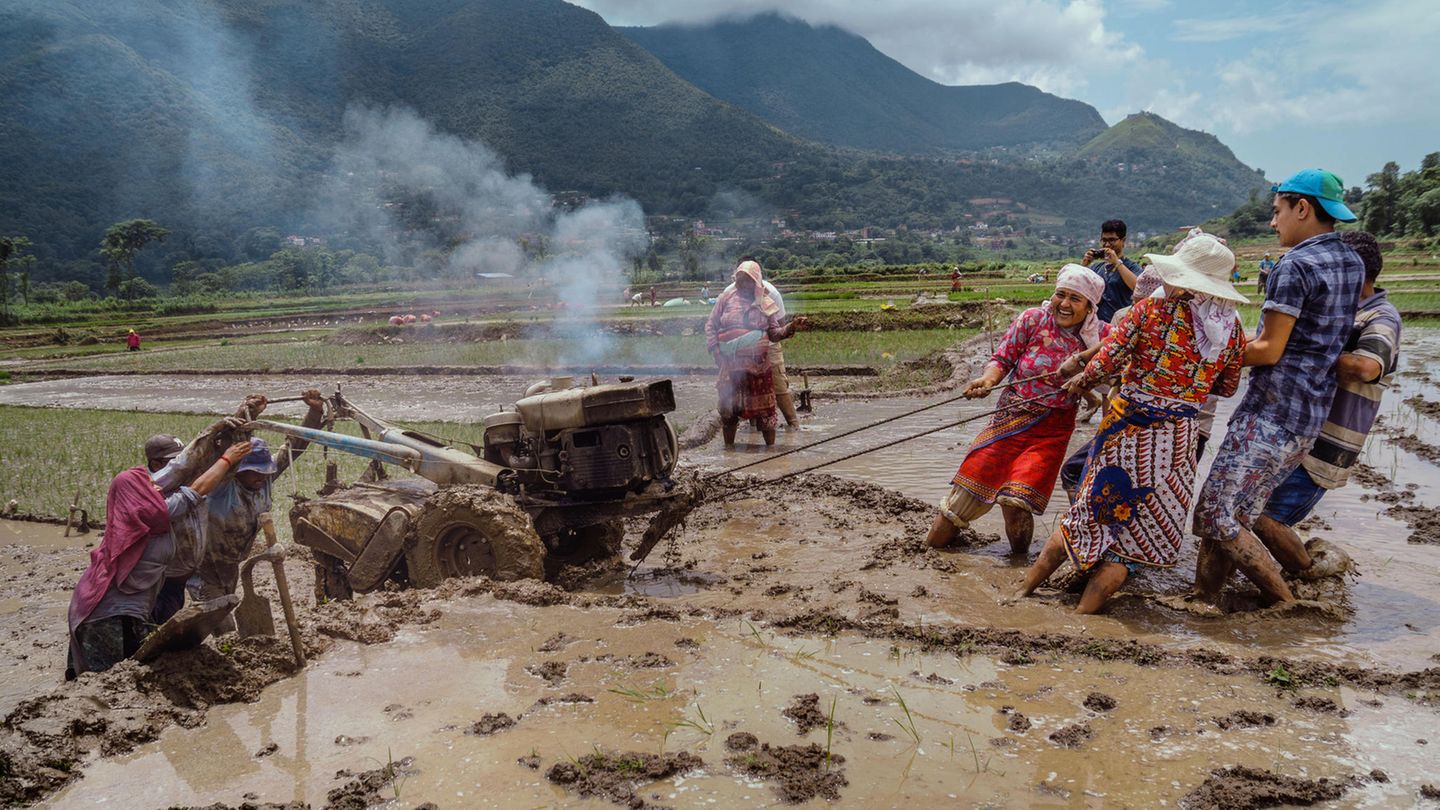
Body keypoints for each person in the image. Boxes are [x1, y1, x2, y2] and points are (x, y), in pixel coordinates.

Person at [1014, 230, 1248, 613]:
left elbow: (1109, 360)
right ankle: (1083, 618)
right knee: (1134, 542)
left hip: (1130, 433)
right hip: (1177, 441)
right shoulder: (1229, 329)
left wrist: (1080, 380)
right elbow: (1227, 384)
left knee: (1086, 515)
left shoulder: (1149, 311)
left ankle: (1021, 592)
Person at [1192, 168, 1364, 605]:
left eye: (1277, 211)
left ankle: (1286, 602)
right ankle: (1204, 598)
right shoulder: (1351, 261)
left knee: (1217, 512)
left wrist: (1201, 356)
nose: (1273, 223)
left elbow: (1268, 350)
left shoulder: (1295, 264)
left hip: (1271, 411)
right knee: (1236, 513)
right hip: (1307, 417)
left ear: (1302, 208)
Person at [928, 266, 1111, 555]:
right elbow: (1002, 358)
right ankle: (931, 551)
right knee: (960, 501)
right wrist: (988, 380)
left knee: (1016, 501)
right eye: (1060, 294)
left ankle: (1018, 562)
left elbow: (1123, 364)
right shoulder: (1032, 319)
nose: (1064, 304)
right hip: (1009, 418)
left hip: (1052, 428)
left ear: (1090, 306)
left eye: (1075, 299)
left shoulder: (1102, 337)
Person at [1252, 231, 1400, 577]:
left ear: (1353, 272)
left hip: (1326, 445)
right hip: (1295, 430)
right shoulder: (1338, 310)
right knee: (1249, 511)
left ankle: (1313, 573)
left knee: (1265, 517)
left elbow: (1366, 367)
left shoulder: (1382, 316)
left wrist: (1308, 350)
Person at [67, 438, 252, 678]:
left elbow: (204, 481)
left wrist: (234, 434)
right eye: (173, 466)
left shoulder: (165, 497)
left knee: (133, 670)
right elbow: (194, 493)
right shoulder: (145, 502)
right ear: (155, 464)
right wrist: (226, 459)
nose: (181, 472)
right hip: (106, 611)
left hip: (141, 605)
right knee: (104, 680)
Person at [184, 391, 325, 610]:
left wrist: (315, 412)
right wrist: (243, 414)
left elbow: (294, 446)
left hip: (232, 562)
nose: (260, 476)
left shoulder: (266, 479)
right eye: (254, 472)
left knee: (226, 607)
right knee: (217, 617)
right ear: (238, 469)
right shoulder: (222, 485)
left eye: (264, 471)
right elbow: (228, 447)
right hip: (204, 566)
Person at [705, 261, 808, 447]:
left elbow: (774, 334)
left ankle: (770, 453)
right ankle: (729, 450)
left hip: (759, 368)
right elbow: (711, 326)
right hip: (731, 366)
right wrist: (717, 354)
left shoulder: (766, 302)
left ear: (756, 281)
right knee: (728, 412)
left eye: (749, 280)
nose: (745, 284)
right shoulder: (725, 298)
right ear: (737, 280)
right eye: (741, 280)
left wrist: (792, 326)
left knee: (766, 413)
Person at [722, 257, 802, 427]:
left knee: (779, 387)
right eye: (741, 276)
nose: (744, 281)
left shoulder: (771, 293)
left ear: (757, 275)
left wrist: (790, 327)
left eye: (749, 276)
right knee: (742, 390)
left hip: (768, 348)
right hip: (739, 351)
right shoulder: (728, 293)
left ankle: (793, 424)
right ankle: (753, 426)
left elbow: (778, 326)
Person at [1082, 219, 1143, 323]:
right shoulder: (1096, 268)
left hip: (1120, 325)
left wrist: (1117, 263)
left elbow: (1138, 287)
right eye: (1104, 240)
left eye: (1112, 240)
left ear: (1123, 241)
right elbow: (1079, 287)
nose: (1107, 244)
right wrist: (1084, 265)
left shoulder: (1132, 267)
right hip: (1095, 326)